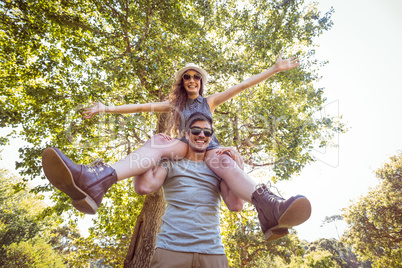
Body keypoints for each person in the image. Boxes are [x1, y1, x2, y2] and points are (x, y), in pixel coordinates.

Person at [42, 53, 300, 235]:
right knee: (157, 144)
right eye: (187, 77)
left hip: (209, 147)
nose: (191, 80)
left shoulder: (210, 101)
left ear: (200, 81)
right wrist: (105, 108)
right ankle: (97, 180)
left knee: (225, 163)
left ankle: (269, 208)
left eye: (195, 77)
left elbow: (242, 85)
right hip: (183, 143)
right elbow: (141, 106)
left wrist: (274, 69)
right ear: (182, 82)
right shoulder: (175, 105)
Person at [141, 112, 310, 267]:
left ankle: (269, 208)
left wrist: (238, 165)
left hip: (212, 252)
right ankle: (270, 210)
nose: (201, 135)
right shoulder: (171, 163)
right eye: (196, 130)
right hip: (171, 250)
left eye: (207, 132)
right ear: (186, 134)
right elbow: (144, 185)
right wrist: (149, 149)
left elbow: (235, 205)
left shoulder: (217, 168)